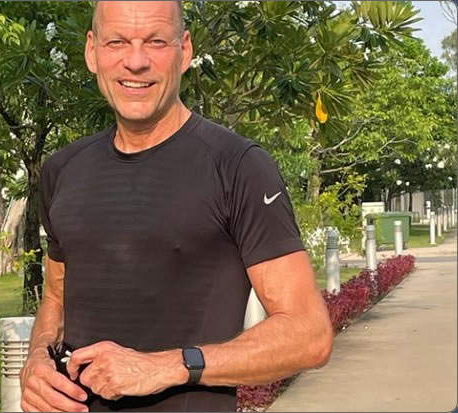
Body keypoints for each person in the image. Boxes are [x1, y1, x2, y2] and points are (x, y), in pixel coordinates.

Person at [20, 1, 333, 411]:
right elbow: (56, 300)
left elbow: (309, 334)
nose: (136, 62)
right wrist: (36, 359)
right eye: (117, 42)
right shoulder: (62, 170)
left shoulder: (237, 166)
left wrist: (167, 367)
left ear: (184, 51)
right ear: (92, 52)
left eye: (155, 42)